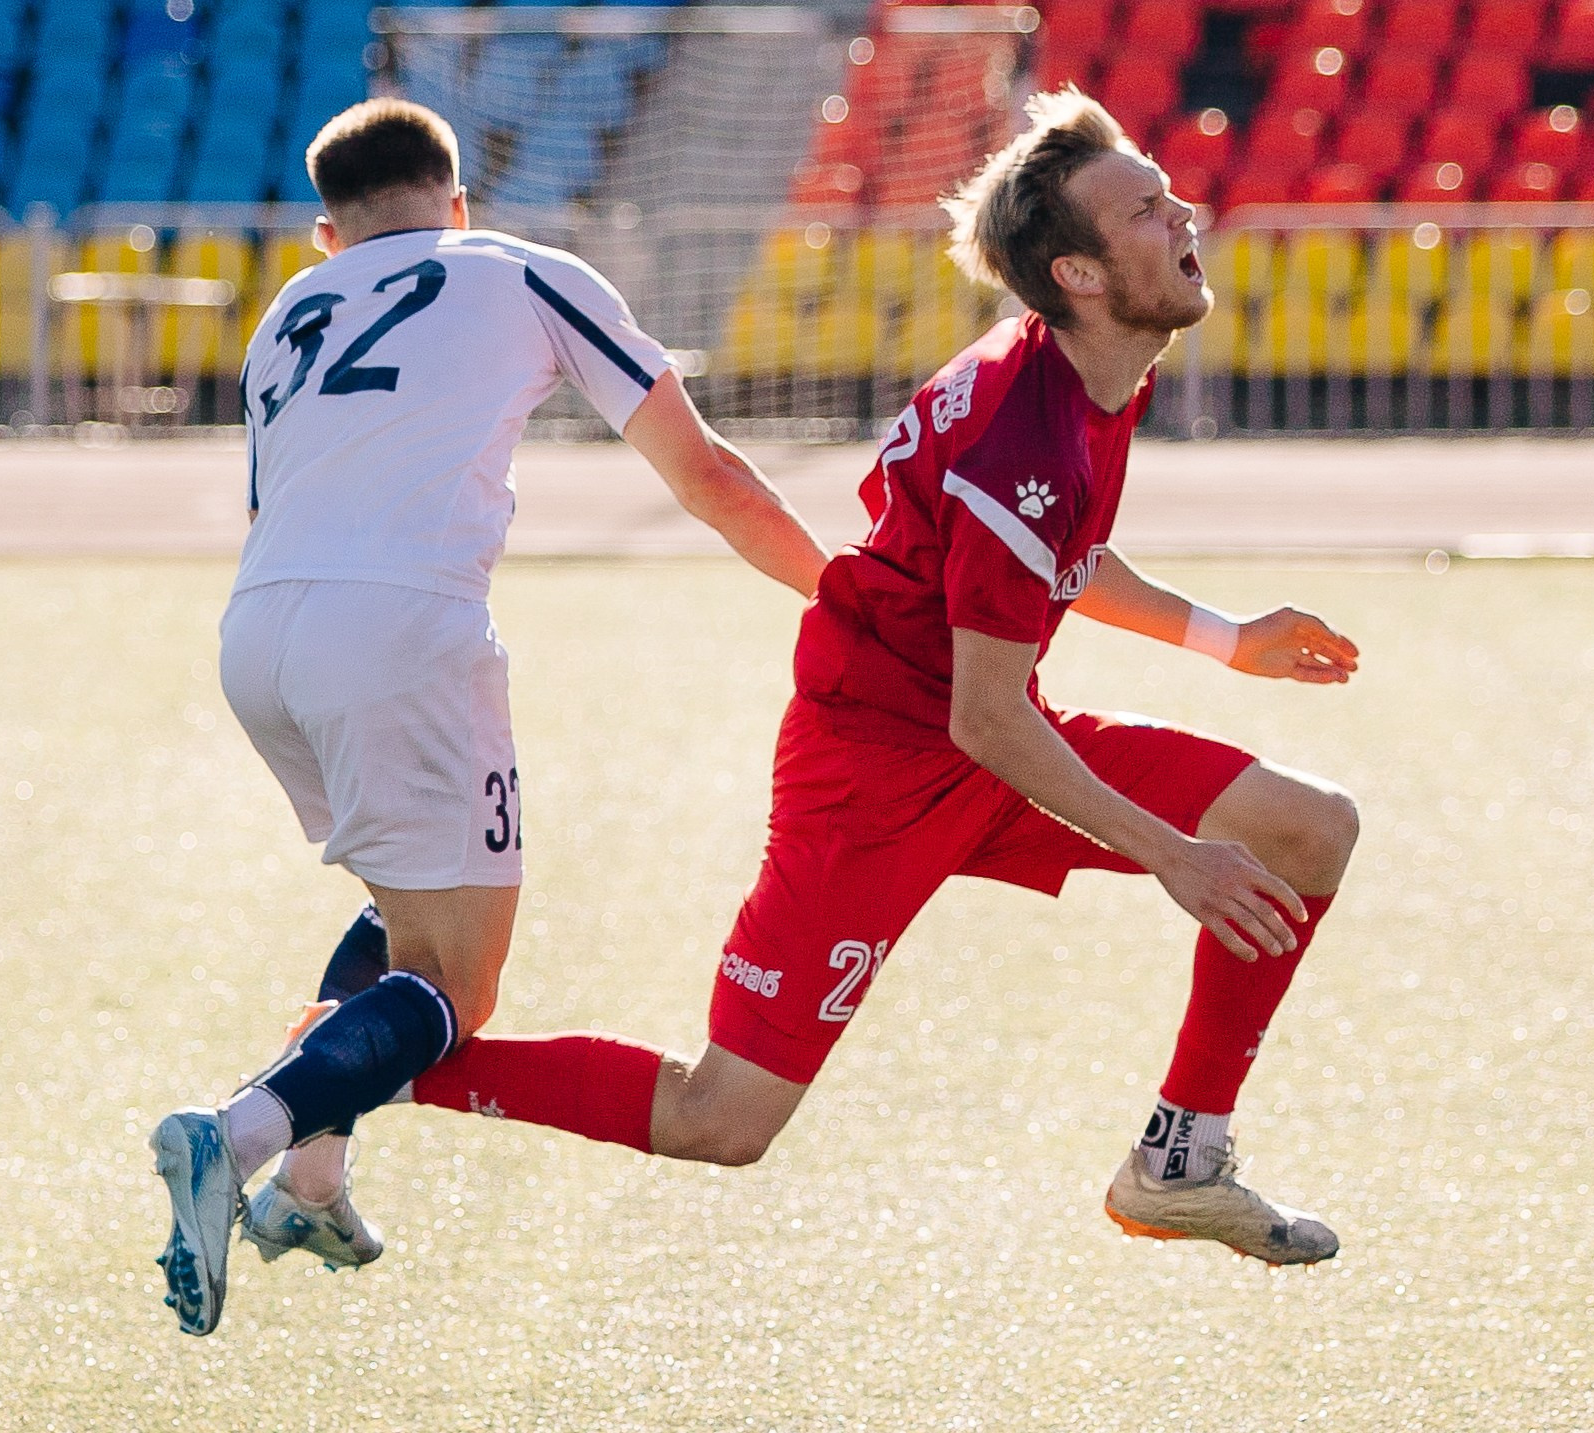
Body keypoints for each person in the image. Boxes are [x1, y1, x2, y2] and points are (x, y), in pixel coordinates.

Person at [308, 86, 1365, 1269]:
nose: (1185, 213)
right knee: (724, 1119)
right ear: (1076, 271)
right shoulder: (1030, 433)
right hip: (876, 766)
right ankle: (355, 1064)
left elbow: (1048, 560)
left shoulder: (1091, 362)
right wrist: (1172, 851)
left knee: (1307, 825)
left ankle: (1179, 1158)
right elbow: (988, 705)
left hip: (980, 726)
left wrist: (1227, 637)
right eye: (1144, 207)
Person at [149, 97, 829, 1337]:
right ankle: (236, 1130)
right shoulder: (518, 266)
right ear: (457, 201)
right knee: (461, 985)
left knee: (406, 912)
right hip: (402, 630)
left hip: (258, 633)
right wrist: (843, 600)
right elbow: (708, 475)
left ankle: (312, 1180)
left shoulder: (284, 314)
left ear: (325, 234)